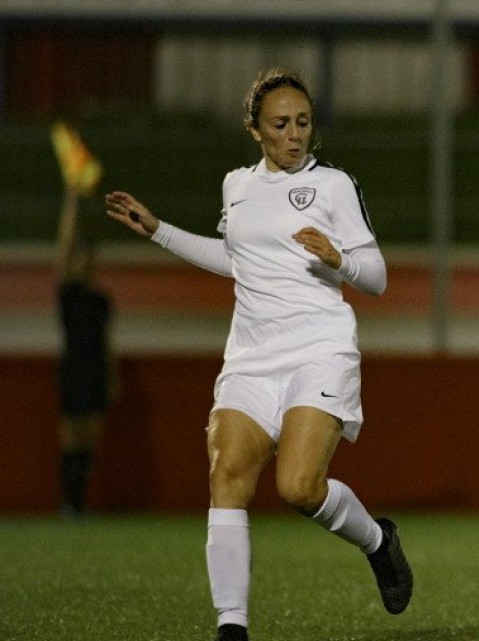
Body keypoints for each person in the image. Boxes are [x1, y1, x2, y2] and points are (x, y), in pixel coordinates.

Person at [104, 67, 412, 641]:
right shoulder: (236, 185)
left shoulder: (334, 186)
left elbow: (377, 277)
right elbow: (238, 260)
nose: (294, 135)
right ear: (255, 131)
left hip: (319, 349)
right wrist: (159, 230)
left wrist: (339, 260)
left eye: (303, 123)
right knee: (227, 476)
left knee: (298, 488)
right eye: (280, 124)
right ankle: (233, 627)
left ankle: (378, 540)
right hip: (250, 356)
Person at [52, 122, 112, 518]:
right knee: (70, 435)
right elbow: (64, 245)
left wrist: (113, 373)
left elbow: (107, 341)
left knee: (90, 438)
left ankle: (79, 502)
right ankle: (69, 504)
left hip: (94, 369)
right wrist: (73, 196)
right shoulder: (68, 294)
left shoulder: (100, 300)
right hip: (73, 368)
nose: (84, 261)